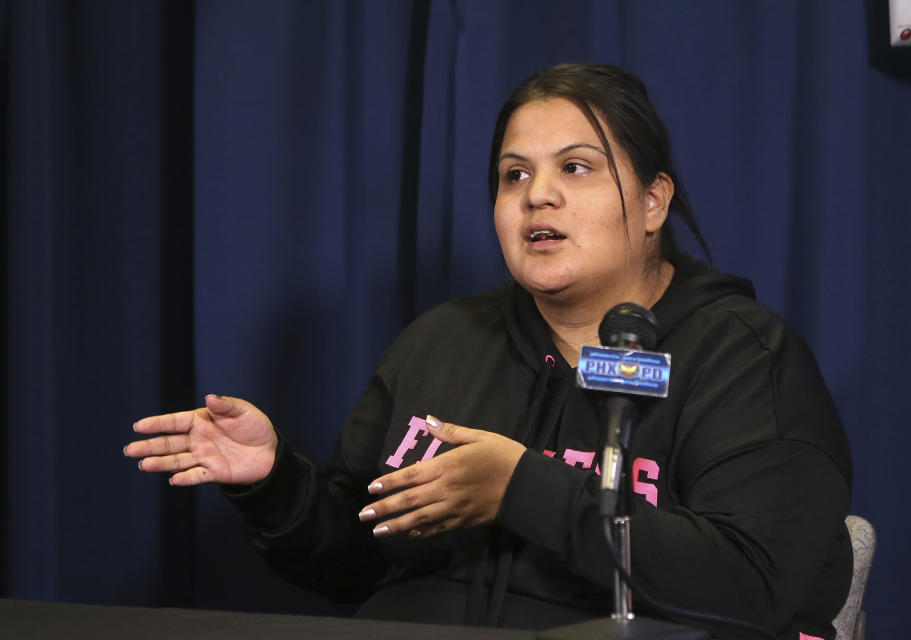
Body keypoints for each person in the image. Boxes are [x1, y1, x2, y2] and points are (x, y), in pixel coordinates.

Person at [125, 63, 852, 640]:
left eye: (576, 168)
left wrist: (521, 488)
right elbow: (356, 561)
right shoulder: (443, 340)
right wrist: (274, 481)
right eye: (515, 175)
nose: (539, 196)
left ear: (655, 201)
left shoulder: (745, 356)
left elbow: (755, 586)